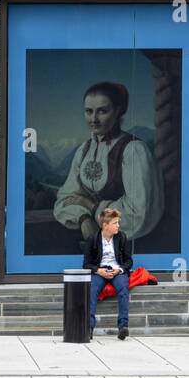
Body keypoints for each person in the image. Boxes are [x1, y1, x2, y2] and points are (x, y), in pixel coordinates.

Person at [53, 80, 165, 243]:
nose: (94, 119)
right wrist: (83, 218)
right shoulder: (84, 150)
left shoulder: (134, 150)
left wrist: (91, 206)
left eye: (102, 111)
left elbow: (139, 215)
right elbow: (64, 199)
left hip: (130, 244)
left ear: (118, 111)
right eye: (89, 111)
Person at [84, 208, 133, 339]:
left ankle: (123, 326)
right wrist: (98, 270)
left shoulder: (121, 237)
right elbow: (86, 264)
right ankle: (89, 327)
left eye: (118, 222)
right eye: (115, 223)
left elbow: (129, 261)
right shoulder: (92, 239)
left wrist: (120, 270)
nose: (118, 225)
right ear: (105, 225)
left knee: (123, 288)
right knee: (92, 290)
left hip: (117, 271)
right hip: (100, 272)